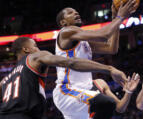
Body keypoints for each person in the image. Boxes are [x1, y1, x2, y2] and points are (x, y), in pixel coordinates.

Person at [0, 37, 132, 119]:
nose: (38, 48)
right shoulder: (34, 57)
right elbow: (70, 62)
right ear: (26, 49)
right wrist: (109, 69)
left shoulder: (5, 80)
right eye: (35, 45)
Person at [53, 0, 137, 119]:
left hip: (83, 92)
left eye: (76, 12)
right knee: (106, 103)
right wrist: (120, 17)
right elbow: (103, 36)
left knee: (107, 104)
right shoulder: (66, 32)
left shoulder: (83, 41)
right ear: (63, 22)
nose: (76, 13)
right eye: (70, 13)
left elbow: (111, 48)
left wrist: (115, 19)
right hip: (66, 91)